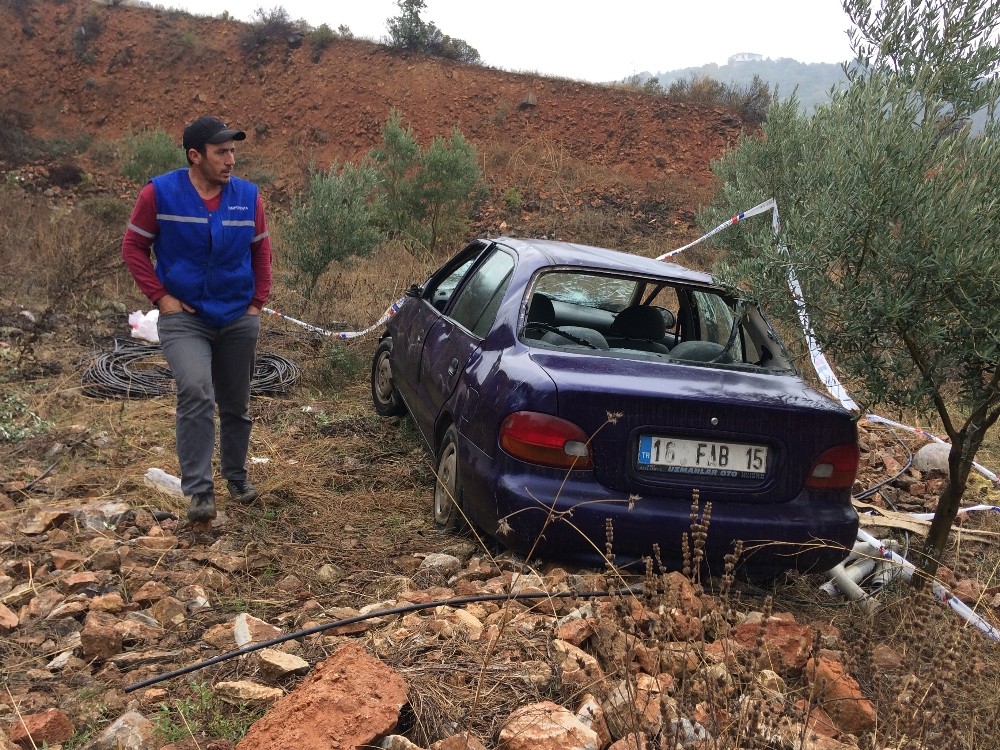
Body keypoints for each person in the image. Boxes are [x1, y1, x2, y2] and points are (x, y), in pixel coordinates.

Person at [122, 115, 272, 524]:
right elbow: (134, 247)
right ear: (195, 155)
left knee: (236, 404)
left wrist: (257, 303)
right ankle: (200, 492)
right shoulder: (159, 193)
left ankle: (236, 477)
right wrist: (161, 296)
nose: (231, 159)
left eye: (234, 151)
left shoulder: (248, 197)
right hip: (185, 319)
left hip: (238, 317)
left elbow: (261, 251)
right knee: (196, 391)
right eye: (221, 152)